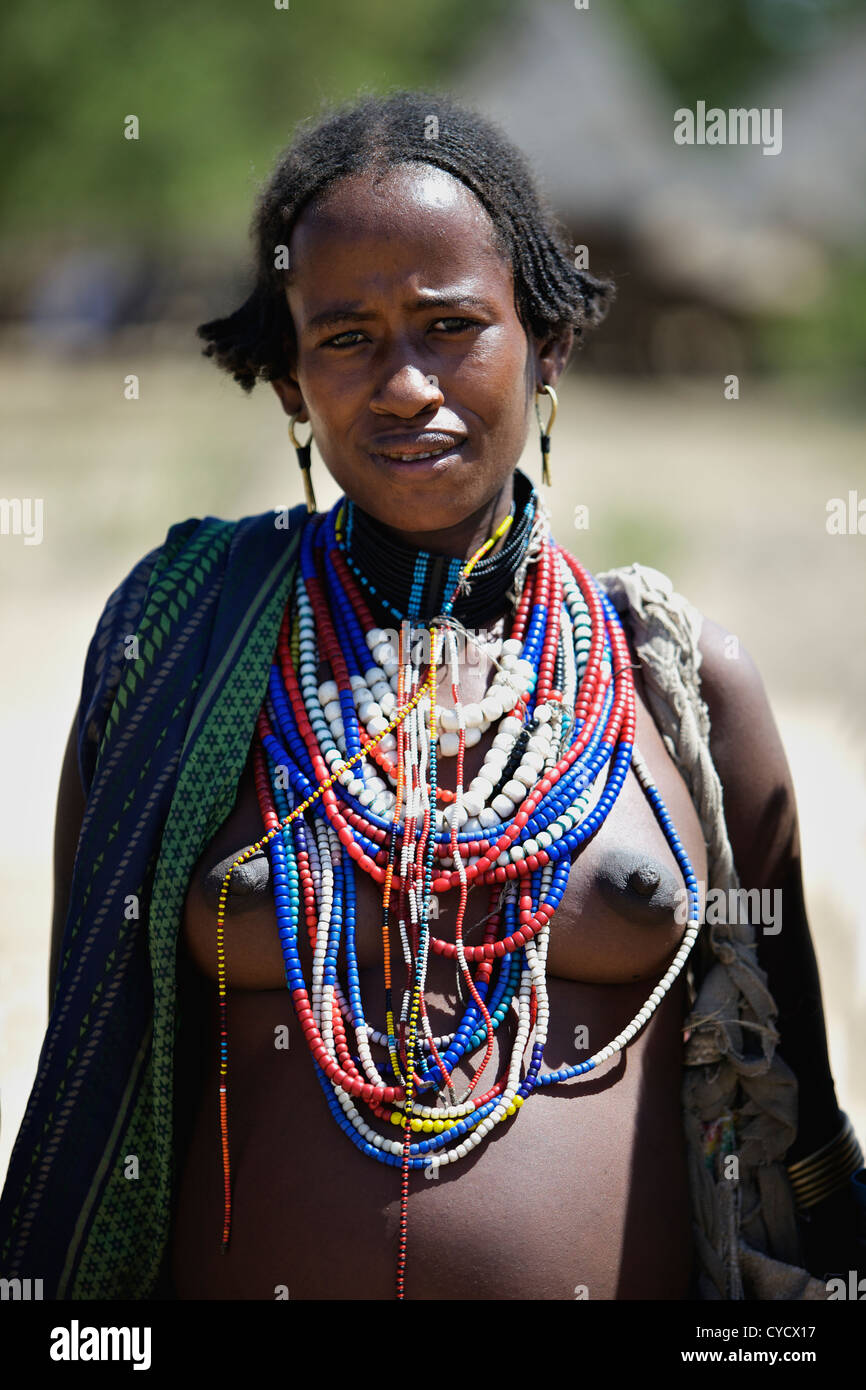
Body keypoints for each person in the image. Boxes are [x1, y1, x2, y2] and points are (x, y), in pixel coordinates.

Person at [2, 91, 862, 1302]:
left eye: (450, 324)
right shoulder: (178, 653)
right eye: (343, 337)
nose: (402, 384)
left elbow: (801, 1131)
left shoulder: (678, 692)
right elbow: (92, 1067)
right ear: (292, 382)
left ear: (546, 342)